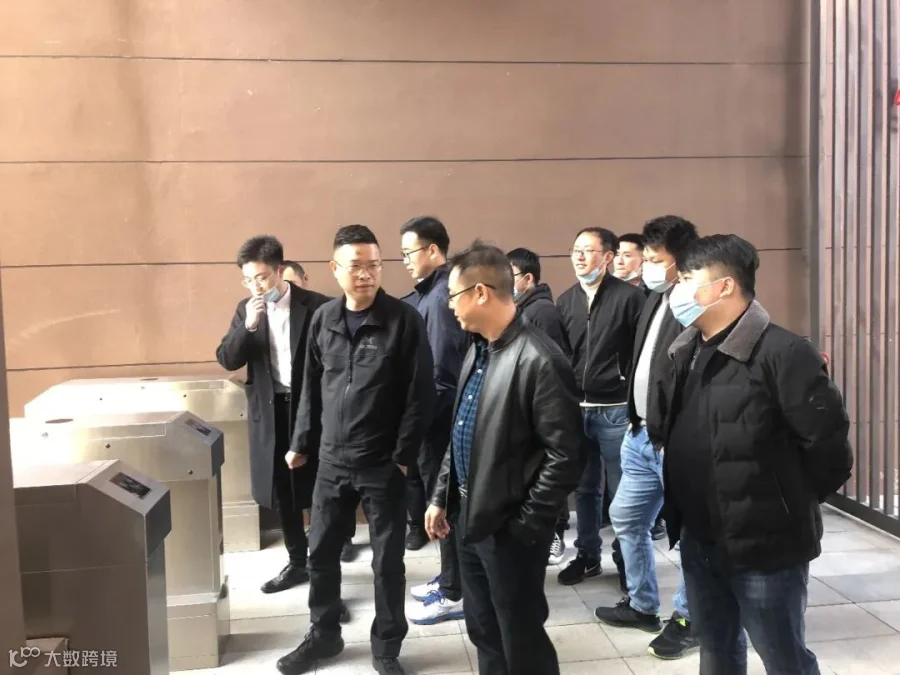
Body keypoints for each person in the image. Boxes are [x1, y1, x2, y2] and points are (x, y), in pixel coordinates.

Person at [659, 234, 853, 674]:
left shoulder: (784, 352)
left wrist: (784, 503)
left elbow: (829, 449)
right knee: (717, 650)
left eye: (687, 279)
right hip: (700, 537)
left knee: (782, 656)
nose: (678, 290)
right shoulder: (688, 349)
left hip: (765, 545)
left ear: (725, 285)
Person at [277, 224, 436, 675]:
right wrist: (301, 442)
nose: (366, 274)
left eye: (374, 265)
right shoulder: (323, 319)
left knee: (387, 563)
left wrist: (402, 456)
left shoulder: (403, 321)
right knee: (321, 553)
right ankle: (324, 635)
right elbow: (310, 387)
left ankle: (386, 647)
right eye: (356, 266)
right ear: (335, 268)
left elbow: (420, 394)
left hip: (382, 463)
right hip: (330, 461)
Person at [425, 242, 584, 675]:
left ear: (480, 292)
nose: (449, 305)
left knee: (521, 636)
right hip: (469, 520)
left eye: (453, 295)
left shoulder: (540, 358)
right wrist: (441, 497)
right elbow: (461, 431)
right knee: (484, 630)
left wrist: (526, 525)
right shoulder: (478, 349)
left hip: (510, 529)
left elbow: (566, 457)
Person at [592, 215, 699, 660]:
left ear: (680, 261)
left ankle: (690, 618)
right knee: (626, 517)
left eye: (656, 259)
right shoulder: (654, 298)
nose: (647, 266)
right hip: (639, 433)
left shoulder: (695, 305)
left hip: (674, 441)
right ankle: (641, 604)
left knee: (691, 534)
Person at [216, 236, 338, 593]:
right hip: (271, 413)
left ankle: (325, 572)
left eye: (262, 277)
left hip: (311, 409)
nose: (256, 286)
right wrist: (249, 326)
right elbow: (228, 358)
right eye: (248, 280)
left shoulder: (317, 306)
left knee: (322, 491)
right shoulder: (246, 310)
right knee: (283, 492)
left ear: (280, 270)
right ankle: (297, 562)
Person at [556, 228, 645, 586]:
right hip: (578, 409)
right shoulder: (565, 301)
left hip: (616, 408)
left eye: (588, 251)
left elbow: (640, 353)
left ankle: (626, 561)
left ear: (608, 257)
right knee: (585, 488)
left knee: (623, 490)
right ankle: (588, 556)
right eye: (575, 250)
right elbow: (562, 355)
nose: (579, 257)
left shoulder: (630, 298)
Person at [399, 216, 469, 626]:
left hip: (439, 422)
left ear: (432, 250)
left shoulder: (441, 297)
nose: (406, 261)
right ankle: (449, 577)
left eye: (409, 252)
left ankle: (455, 591)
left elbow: (442, 374)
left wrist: (420, 426)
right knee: (441, 506)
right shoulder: (429, 293)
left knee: (446, 507)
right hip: (434, 420)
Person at [507, 246, 572, 566]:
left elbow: (551, 364)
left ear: (528, 279)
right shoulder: (522, 308)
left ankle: (556, 535)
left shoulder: (542, 311)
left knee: (547, 471)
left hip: (542, 409)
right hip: (525, 407)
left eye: (511, 276)